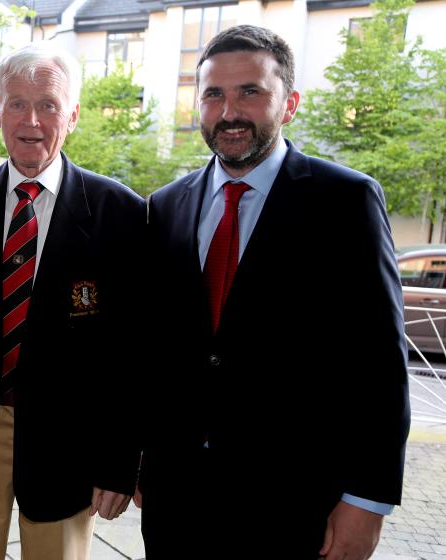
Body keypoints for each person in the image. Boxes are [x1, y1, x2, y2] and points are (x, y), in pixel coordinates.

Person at [139, 25, 410, 559]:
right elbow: (156, 350)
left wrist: (366, 501)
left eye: (250, 92)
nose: (229, 111)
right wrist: (145, 461)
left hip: (294, 505)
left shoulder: (346, 201)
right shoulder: (166, 206)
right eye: (214, 94)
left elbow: (379, 362)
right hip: (178, 501)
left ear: (289, 104)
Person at [0, 43, 145, 560]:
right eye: (16, 103)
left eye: (49, 105)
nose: (31, 120)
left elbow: (131, 352)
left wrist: (119, 464)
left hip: (69, 445)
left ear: (73, 116)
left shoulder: (121, 213)